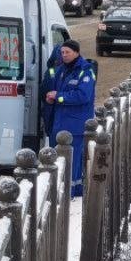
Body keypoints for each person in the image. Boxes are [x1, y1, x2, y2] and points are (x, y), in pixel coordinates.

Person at [43, 38, 96, 196]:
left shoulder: (85, 71)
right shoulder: (62, 70)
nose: (64, 55)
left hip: (75, 124)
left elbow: (83, 95)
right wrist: (50, 96)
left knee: (72, 163)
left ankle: (70, 193)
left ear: (76, 53)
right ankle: (64, 192)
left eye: (67, 52)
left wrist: (59, 97)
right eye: (62, 52)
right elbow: (52, 86)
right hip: (59, 123)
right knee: (59, 161)